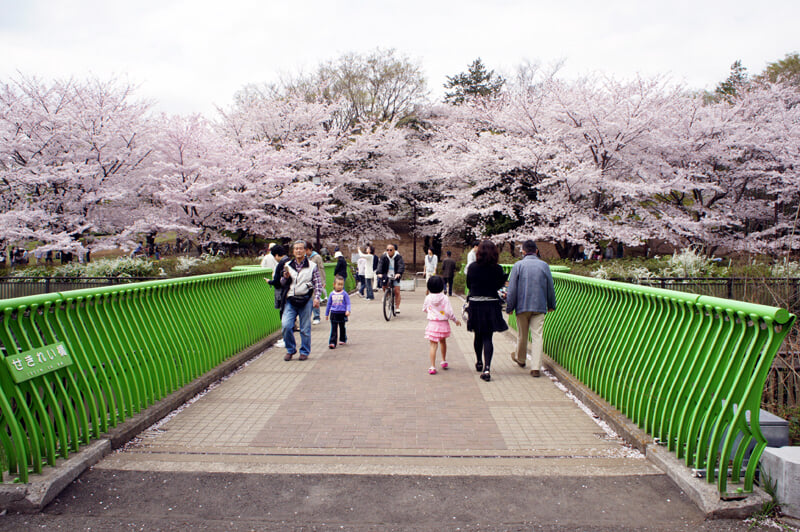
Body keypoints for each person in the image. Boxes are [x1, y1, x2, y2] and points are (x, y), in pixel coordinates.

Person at [506, 240, 557, 378]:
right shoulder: (544, 265)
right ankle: (535, 367)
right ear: (536, 251)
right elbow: (550, 287)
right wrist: (551, 304)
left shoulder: (518, 265)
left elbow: (512, 289)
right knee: (537, 336)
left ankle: (521, 359)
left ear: (522, 251)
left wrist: (510, 307)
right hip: (539, 306)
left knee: (522, 334)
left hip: (522, 306)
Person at [466, 240, 508, 382]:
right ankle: (487, 368)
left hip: (476, 304)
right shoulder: (498, 269)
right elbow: (498, 285)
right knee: (487, 337)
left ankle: (478, 361)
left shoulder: (472, 267)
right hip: (491, 304)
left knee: (477, 335)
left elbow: (469, 284)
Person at [280, 240, 324, 361]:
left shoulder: (312, 266)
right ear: (293, 251)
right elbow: (283, 283)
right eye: (296, 249)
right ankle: (290, 349)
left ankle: (304, 351)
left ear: (305, 251)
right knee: (286, 325)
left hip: (305, 299)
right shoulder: (288, 265)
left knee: (305, 328)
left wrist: (316, 298)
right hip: (291, 299)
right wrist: (285, 277)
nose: (298, 251)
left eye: (300, 248)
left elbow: (317, 283)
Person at [422, 275, 461, 375]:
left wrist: (431, 312)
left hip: (432, 324)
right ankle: (443, 360)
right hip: (443, 324)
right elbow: (449, 312)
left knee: (433, 345)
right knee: (443, 342)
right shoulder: (445, 298)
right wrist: (455, 320)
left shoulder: (428, 298)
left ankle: (432, 366)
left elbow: (424, 309)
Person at [267, 245, 290, 348]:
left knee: (284, 315)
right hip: (287, 292)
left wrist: (270, 282)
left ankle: (287, 340)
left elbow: (278, 280)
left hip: (282, 292)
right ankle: (286, 338)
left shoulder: (282, 264)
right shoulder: (289, 261)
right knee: (287, 315)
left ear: (276, 255)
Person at [377, 243, 405, 313]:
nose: (389, 251)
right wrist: (379, 273)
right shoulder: (384, 257)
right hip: (386, 274)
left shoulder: (398, 257)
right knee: (384, 286)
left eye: (390, 250)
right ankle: (387, 295)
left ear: (394, 250)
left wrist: (399, 273)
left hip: (395, 274)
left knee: (397, 291)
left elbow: (401, 265)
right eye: (387, 250)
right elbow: (380, 264)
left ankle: (397, 306)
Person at [325, 275, 351, 348]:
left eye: (342, 284)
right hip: (333, 313)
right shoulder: (331, 294)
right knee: (334, 328)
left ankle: (342, 339)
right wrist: (326, 314)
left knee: (342, 327)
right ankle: (332, 342)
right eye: (338, 284)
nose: (340, 286)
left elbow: (348, 303)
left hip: (342, 313)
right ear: (334, 284)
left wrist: (348, 310)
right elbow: (329, 304)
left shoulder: (344, 294)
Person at [305, 241, 326, 324]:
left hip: (316, 280)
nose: (305, 252)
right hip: (307, 280)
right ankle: (307, 317)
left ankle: (316, 316)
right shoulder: (304, 257)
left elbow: (321, 269)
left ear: (310, 249)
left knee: (315, 298)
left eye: (307, 250)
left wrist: (323, 281)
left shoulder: (317, 257)